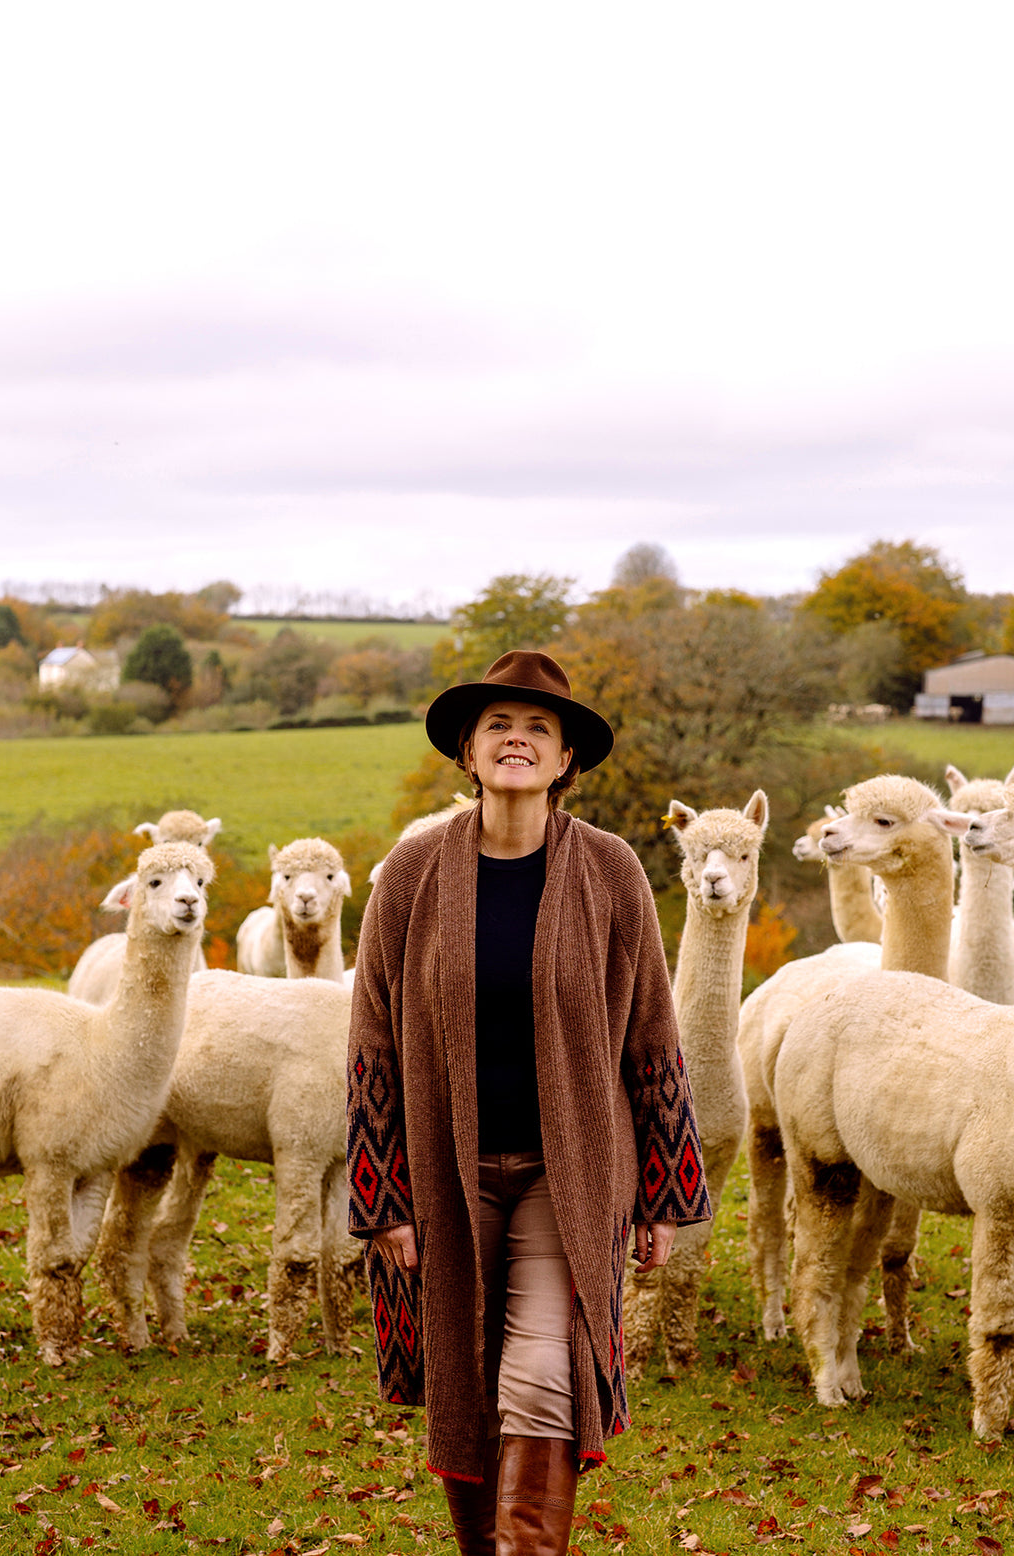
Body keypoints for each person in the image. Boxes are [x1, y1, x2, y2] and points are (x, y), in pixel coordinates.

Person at [347, 650, 710, 1555]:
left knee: (542, 1377)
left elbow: (653, 1034)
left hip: (570, 1173)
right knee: (465, 1383)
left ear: (564, 763)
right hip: (444, 1172)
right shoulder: (411, 873)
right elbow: (372, 1046)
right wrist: (381, 1195)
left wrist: (665, 1191)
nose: (518, 739)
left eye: (539, 729)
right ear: (468, 753)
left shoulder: (611, 872)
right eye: (498, 725)